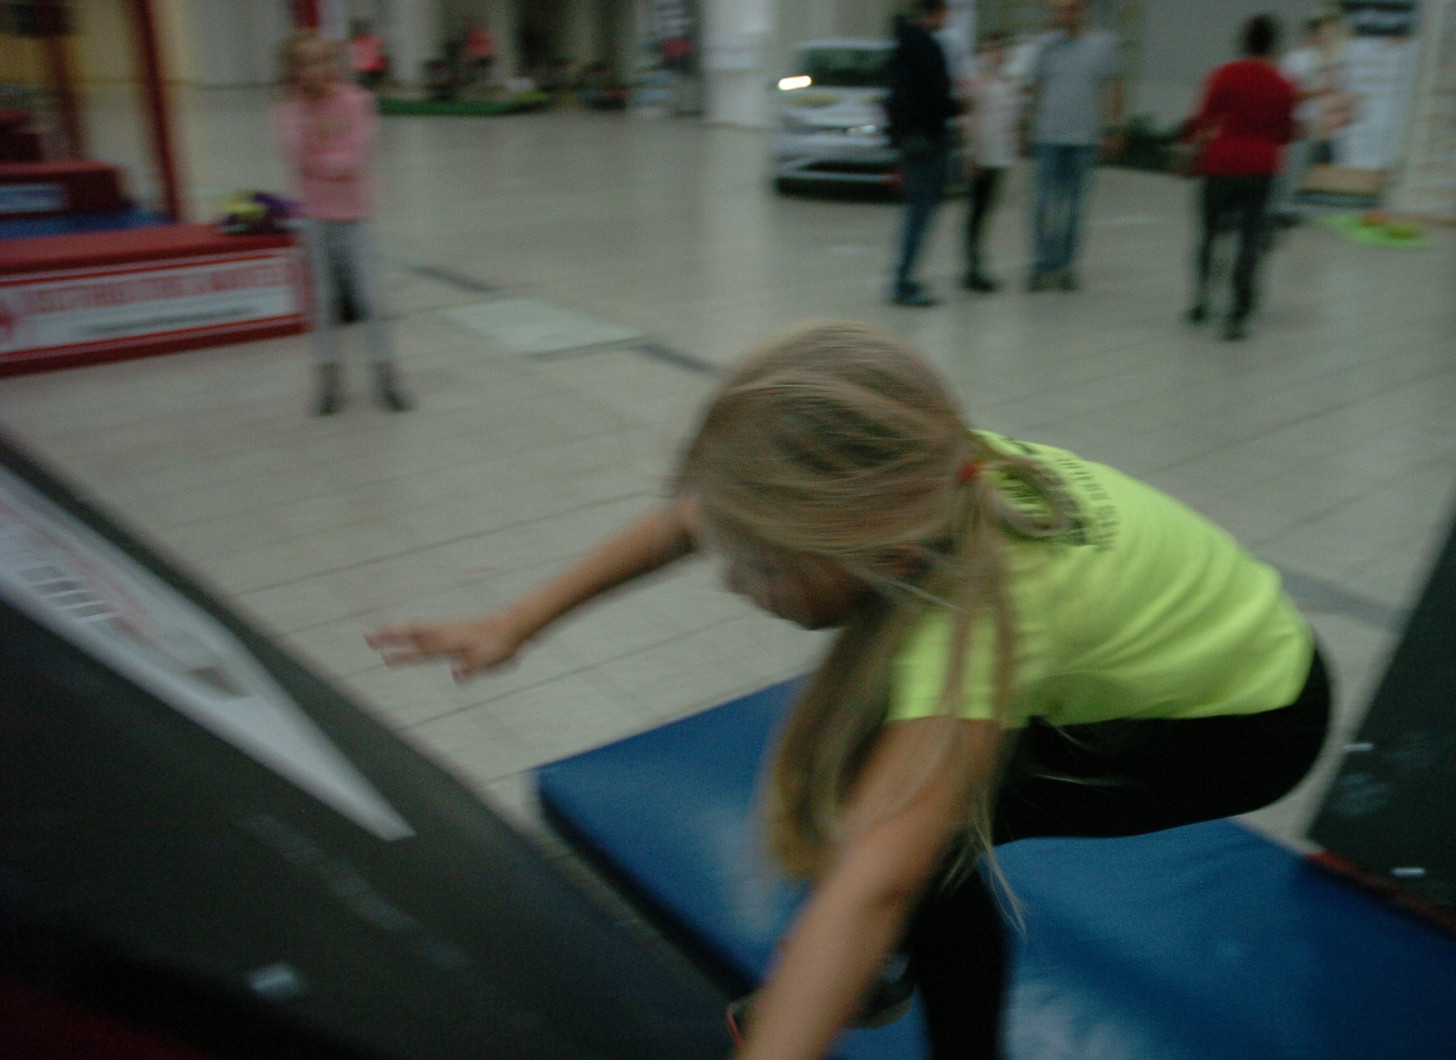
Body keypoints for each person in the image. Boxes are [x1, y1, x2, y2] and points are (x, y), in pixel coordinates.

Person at [367, 320, 1332, 1060]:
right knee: (885, 790)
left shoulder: (973, 628)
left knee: (928, 843)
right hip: (1229, 636)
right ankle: (889, 971)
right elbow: (692, 519)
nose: (734, 582)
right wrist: (518, 620)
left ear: (881, 558)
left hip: (1245, 723)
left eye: (761, 567)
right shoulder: (905, 470)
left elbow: (875, 883)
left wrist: (810, 998)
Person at [274, 31, 411, 414]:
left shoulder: (356, 101)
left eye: (322, 61)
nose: (315, 70)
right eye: (305, 63)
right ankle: (329, 381)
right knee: (322, 301)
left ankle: (385, 375)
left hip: (355, 217)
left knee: (369, 297)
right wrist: (326, 155)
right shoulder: (290, 111)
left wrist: (321, 160)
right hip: (315, 218)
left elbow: (355, 157)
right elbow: (295, 154)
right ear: (294, 71)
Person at [1182, 15, 1295, 341]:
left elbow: (1204, 120)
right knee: (1249, 241)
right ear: (1273, 44)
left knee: (1208, 236)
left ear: (1243, 41)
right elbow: (1285, 134)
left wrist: (1190, 147)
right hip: (1260, 169)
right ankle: (1237, 314)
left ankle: (1201, 302)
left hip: (1220, 164)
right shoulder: (1283, 84)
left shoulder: (1223, 75)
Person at [1023, 0, 1124, 292]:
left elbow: (1113, 86)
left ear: (1082, 11)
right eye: (1058, 10)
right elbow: (1036, 87)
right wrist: (1026, 124)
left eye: (1069, 9)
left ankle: (1066, 266)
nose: (1062, 15)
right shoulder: (1044, 45)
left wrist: (1113, 128)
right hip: (1049, 137)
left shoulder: (1104, 44)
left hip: (1083, 140)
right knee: (1043, 205)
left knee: (1074, 208)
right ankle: (1041, 265)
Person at [885, 0, 961, 307]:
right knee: (920, 212)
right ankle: (904, 282)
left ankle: (905, 277)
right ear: (937, 12)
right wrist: (959, 106)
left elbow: (897, 96)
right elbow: (934, 97)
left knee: (916, 212)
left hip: (914, 140)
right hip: (929, 140)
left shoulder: (904, 44)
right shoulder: (927, 46)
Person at [961, 34, 1022, 293]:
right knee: (977, 212)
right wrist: (972, 154)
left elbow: (1011, 120)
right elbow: (970, 120)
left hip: (1000, 156)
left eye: (1000, 49)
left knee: (986, 212)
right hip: (983, 156)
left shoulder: (1007, 83)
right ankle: (972, 267)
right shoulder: (978, 83)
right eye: (991, 49)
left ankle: (977, 263)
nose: (996, 54)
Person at [1272, 16, 1334, 225]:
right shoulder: (1299, 59)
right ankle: (1279, 209)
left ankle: (1283, 207)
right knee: (1290, 167)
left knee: (1295, 168)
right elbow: (1290, 95)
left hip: (1303, 121)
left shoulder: (1309, 59)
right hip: (1296, 121)